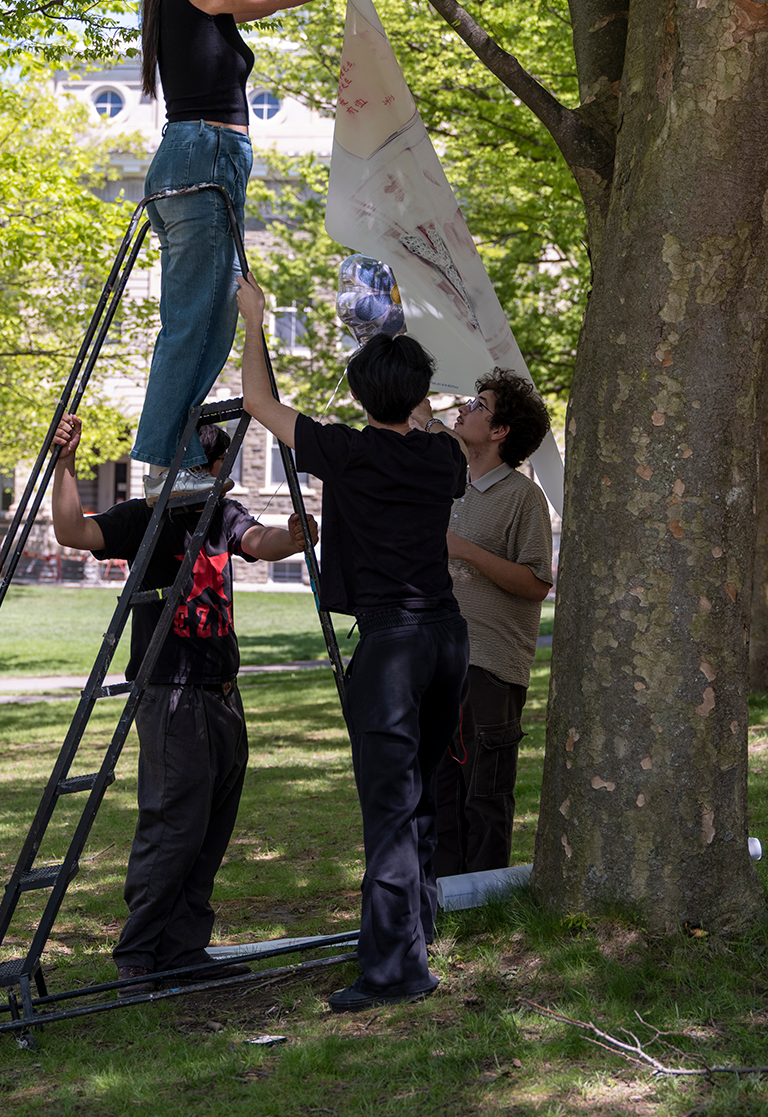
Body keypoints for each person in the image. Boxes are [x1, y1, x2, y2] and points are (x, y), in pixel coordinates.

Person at [235, 272, 468, 1012]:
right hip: (446, 639)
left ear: (363, 399)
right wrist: (405, 368)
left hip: (394, 647)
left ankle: (396, 970)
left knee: (390, 808)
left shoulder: (347, 451)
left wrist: (254, 320)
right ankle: (416, 934)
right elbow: (423, 415)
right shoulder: (443, 458)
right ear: (417, 395)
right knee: (422, 795)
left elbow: (257, 403)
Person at [49, 414, 316, 990]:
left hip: (222, 693)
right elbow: (73, 531)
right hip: (171, 693)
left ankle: (184, 947)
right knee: (173, 824)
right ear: (205, 468)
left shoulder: (223, 514)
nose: (216, 477)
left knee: (212, 825)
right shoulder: (144, 518)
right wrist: (65, 464)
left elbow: (257, 542)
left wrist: (292, 537)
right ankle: (139, 954)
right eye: (210, 467)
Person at [130, 0, 344, 501]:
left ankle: (171, 454)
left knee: (202, 313)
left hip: (190, 160)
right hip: (204, 158)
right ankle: (169, 460)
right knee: (197, 319)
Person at [413, 369, 554, 879]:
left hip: (491, 668)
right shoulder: (449, 484)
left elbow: (538, 582)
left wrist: (465, 552)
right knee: (441, 796)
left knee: (485, 795)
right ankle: (449, 900)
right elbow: (424, 421)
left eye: (479, 404)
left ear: (500, 433)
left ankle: (487, 907)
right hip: (438, 663)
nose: (464, 408)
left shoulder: (523, 497)